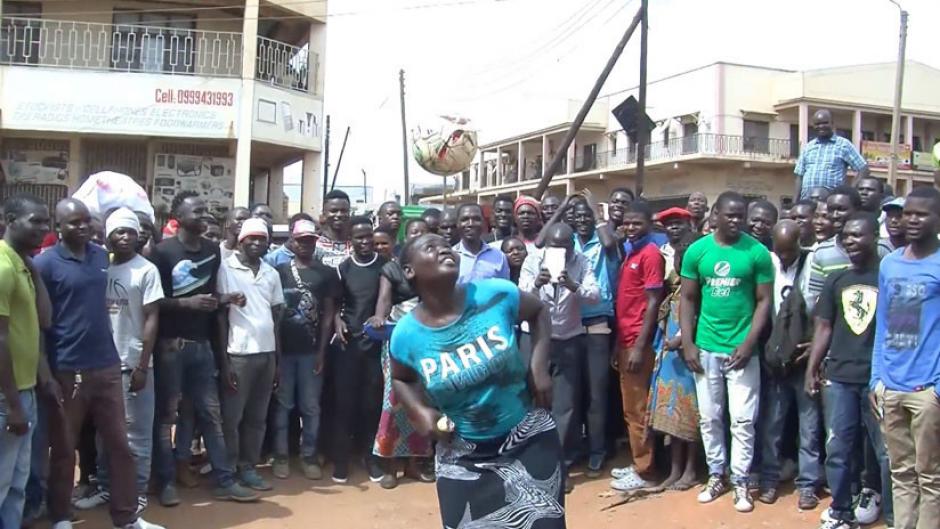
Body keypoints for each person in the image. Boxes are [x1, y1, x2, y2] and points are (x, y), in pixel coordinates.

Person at [388, 234, 562, 528]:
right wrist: (420, 412)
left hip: (528, 440)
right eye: (431, 247)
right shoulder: (406, 335)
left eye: (446, 244)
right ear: (409, 271)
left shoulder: (497, 294)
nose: (444, 248)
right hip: (462, 455)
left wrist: (538, 365)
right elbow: (401, 378)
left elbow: (540, 311)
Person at [36, 199, 165, 529]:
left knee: (120, 445)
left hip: (107, 365)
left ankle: (126, 518)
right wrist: (45, 370)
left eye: (85, 221)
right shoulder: (46, 264)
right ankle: (61, 517)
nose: (81, 227)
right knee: (65, 449)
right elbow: (40, 322)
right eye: (73, 222)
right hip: (68, 367)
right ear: (58, 226)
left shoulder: (100, 257)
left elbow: (134, 271)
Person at [150, 193, 257, 505]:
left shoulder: (212, 250)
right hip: (170, 347)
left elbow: (210, 295)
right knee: (167, 417)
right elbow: (153, 302)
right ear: (177, 216)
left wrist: (224, 299)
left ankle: (224, 480)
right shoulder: (162, 253)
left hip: (203, 347)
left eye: (204, 208)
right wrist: (186, 303)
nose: (203, 213)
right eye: (196, 210)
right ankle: (167, 482)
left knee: (211, 415)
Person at [679, 191, 774, 513]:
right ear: (715, 215)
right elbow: (688, 300)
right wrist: (689, 343)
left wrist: (749, 344)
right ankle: (716, 475)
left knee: (744, 420)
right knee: (710, 418)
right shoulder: (697, 251)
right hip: (705, 348)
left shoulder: (757, 253)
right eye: (730, 215)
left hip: (742, 351)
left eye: (740, 216)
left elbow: (764, 301)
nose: (736, 221)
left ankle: (742, 481)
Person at [805, 213, 891, 529]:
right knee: (838, 448)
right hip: (839, 378)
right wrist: (812, 368)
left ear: (874, 238)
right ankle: (841, 512)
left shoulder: (888, 277)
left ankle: (893, 517)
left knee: (884, 453)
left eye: (858, 235)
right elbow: (824, 327)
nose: (851, 241)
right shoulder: (836, 280)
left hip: (877, 380)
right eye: (847, 236)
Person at [76, 209, 165, 514]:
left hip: (132, 364)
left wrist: (143, 364)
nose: (125, 237)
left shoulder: (147, 270)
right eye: (119, 232)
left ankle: (137, 491)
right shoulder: (101, 266)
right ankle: (104, 486)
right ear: (108, 237)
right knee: (103, 432)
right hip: (101, 364)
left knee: (137, 435)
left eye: (131, 231)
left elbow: (152, 317)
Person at [871, 186, 940, 529]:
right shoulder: (890, 264)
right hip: (891, 386)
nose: (911, 220)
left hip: (926, 390)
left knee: (930, 477)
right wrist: (876, 378)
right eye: (907, 213)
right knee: (900, 472)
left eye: (921, 214)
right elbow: (883, 322)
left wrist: (937, 388)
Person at [519, 222, 599, 494]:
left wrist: (573, 285)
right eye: (554, 246)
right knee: (531, 403)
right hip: (535, 340)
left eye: (565, 246)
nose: (560, 251)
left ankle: (559, 468)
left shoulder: (582, 261)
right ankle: (532, 466)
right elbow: (520, 297)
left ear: (572, 244)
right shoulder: (532, 260)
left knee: (565, 407)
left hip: (568, 339)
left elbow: (594, 295)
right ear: (546, 245)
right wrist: (536, 284)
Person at [0, 194, 58, 529]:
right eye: (34, 220)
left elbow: (43, 321)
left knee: (18, 483)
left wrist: (34, 272)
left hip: (27, 389)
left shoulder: (21, 264)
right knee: (3, 481)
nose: (43, 228)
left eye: (45, 221)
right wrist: (13, 405)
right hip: (9, 396)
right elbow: (1, 338)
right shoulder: (3, 266)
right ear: (10, 220)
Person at [755, 220, 821, 509]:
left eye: (789, 251)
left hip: (804, 359)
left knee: (809, 428)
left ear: (799, 244)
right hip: (776, 360)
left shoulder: (812, 264)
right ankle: (769, 480)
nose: (784, 258)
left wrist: (815, 348)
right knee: (772, 425)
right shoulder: (768, 264)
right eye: (779, 251)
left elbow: (823, 310)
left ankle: (808, 486)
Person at [217, 218, 284, 492]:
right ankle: (228, 471)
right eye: (252, 238)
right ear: (241, 240)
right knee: (232, 418)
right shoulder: (226, 268)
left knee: (258, 417)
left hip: (266, 354)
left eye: (262, 239)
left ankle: (248, 467)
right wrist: (224, 361)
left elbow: (276, 317)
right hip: (238, 354)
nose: (257, 243)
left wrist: (278, 360)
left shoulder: (271, 273)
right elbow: (220, 318)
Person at [369, 221, 434, 489]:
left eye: (423, 233)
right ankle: (389, 465)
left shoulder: (433, 267)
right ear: (406, 238)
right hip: (397, 339)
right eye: (413, 233)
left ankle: (414, 463)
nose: (417, 236)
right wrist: (379, 317)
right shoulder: (392, 268)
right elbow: (384, 298)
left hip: (427, 342)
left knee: (422, 400)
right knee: (393, 401)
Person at [271, 219, 337, 481]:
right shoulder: (277, 271)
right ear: (292, 240)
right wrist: (275, 354)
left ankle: (309, 456)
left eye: (310, 240)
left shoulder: (326, 273)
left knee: (311, 407)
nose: (305, 244)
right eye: (301, 240)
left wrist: (322, 352)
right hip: (283, 352)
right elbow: (273, 315)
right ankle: (281, 456)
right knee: (283, 405)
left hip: (311, 353)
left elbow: (329, 315)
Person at [609, 201, 665, 491]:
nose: (630, 228)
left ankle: (646, 472)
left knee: (638, 409)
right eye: (627, 223)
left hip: (638, 342)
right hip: (626, 339)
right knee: (630, 408)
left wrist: (639, 347)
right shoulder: (631, 251)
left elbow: (653, 301)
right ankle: (639, 462)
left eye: (637, 223)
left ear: (649, 223)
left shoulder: (651, 254)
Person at [333, 217, 387, 483]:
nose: (365, 242)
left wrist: (379, 317)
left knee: (371, 405)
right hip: (348, 346)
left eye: (369, 237)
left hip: (375, 346)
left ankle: (370, 457)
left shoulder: (385, 266)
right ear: (350, 241)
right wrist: (337, 321)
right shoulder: (343, 269)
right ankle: (341, 459)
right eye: (359, 238)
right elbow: (334, 304)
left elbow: (389, 300)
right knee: (345, 405)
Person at [645, 233, 700, 491]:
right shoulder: (675, 289)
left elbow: (698, 319)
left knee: (690, 417)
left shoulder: (699, 290)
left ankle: (690, 470)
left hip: (689, 358)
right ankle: (674, 470)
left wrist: (680, 341)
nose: (681, 262)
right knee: (672, 419)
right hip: (669, 360)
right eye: (679, 258)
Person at [572, 198, 620, 477]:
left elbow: (610, 243)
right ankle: (578, 447)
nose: (581, 220)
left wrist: (593, 209)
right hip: (568, 324)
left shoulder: (603, 243)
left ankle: (598, 451)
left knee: (597, 394)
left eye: (586, 216)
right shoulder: (567, 244)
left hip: (598, 321)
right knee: (574, 394)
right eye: (576, 216)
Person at [805, 186, 891, 314]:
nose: (835, 215)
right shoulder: (822, 252)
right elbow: (812, 301)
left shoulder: (881, 248)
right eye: (831, 210)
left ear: (856, 209)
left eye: (841, 209)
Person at [794, 109, 869, 199]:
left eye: (825, 123)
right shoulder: (808, 147)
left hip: (831, 202)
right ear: (813, 126)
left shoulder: (843, 144)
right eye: (817, 124)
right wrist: (795, 202)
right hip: (808, 202)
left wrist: (849, 192)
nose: (821, 126)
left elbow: (863, 169)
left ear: (832, 124)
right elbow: (799, 176)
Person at [453, 203, 509, 283]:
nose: (470, 224)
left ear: (483, 222)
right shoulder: (450, 257)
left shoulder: (499, 257)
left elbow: (504, 290)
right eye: (465, 219)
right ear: (457, 223)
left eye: (476, 219)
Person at [317, 190, 352, 268]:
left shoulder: (358, 245)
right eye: (334, 211)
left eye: (344, 211)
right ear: (324, 214)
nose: (339, 215)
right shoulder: (313, 246)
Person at [657, 207, 693, 278]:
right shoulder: (660, 253)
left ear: (689, 226)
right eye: (669, 224)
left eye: (679, 223)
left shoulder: (697, 249)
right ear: (664, 229)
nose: (674, 227)